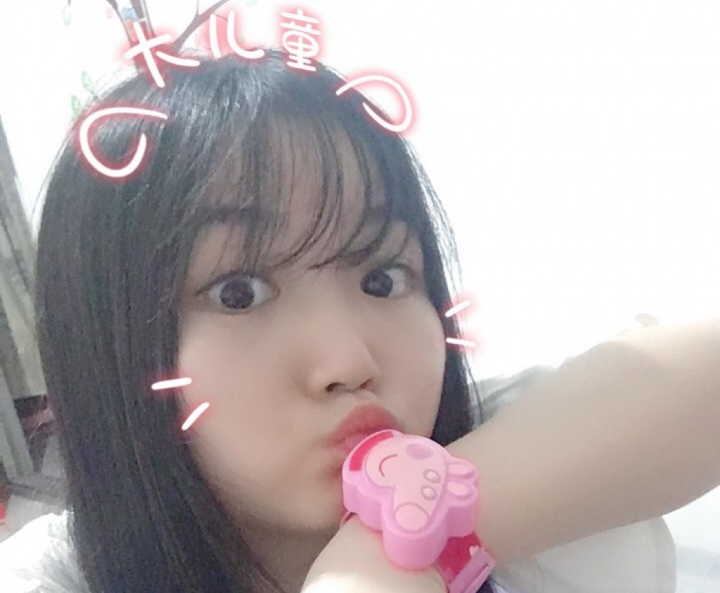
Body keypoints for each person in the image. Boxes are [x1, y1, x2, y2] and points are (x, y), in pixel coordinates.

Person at [0, 49, 715, 592]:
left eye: (382, 278)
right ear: (109, 350)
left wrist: (392, 549)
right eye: (239, 292)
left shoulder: (495, 456)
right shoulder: (56, 576)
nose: (349, 361)